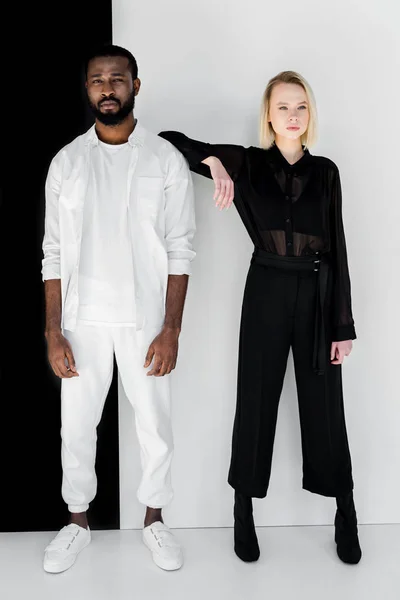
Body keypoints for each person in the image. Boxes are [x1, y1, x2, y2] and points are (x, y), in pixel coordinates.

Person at [159, 70, 362, 565]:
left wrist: (343, 326)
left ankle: (346, 511)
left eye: (301, 107)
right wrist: (215, 163)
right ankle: (242, 508)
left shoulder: (327, 172)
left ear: (309, 115)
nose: (292, 116)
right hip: (267, 290)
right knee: (256, 398)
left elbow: (336, 246)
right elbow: (169, 141)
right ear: (268, 117)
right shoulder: (246, 164)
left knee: (325, 406)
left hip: (317, 292)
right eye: (283, 108)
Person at [41, 44, 195, 573]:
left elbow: (180, 249)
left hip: (146, 319)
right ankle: (76, 523)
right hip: (82, 320)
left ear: (135, 84)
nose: (107, 88)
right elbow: (53, 252)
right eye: (96, 80)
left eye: (117, 78)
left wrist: (171, 328)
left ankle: (154, 520)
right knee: (76, 426)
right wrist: (52, 330)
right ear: (87, 89)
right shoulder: (67, 162)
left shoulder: (163, 159)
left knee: (154, 422)